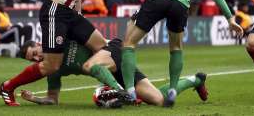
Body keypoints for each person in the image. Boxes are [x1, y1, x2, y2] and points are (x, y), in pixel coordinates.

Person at [102, 0, 244, 106]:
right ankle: (173, 90)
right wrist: (230, 19)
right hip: (180, 4)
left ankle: (130, 92)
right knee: (176, 48)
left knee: (129, 44)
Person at [17, 38, 208, 107]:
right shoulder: (52, 69)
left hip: (113, 51)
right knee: (159, 100)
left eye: (34, 53)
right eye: (31, 59)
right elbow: (53, 99)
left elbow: (76, 15)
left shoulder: (60, 38)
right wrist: (35, 98)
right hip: (109, 70)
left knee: (89, 66)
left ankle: (118, 91)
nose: (35, 59)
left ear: (39, 43)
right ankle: (195, 80)